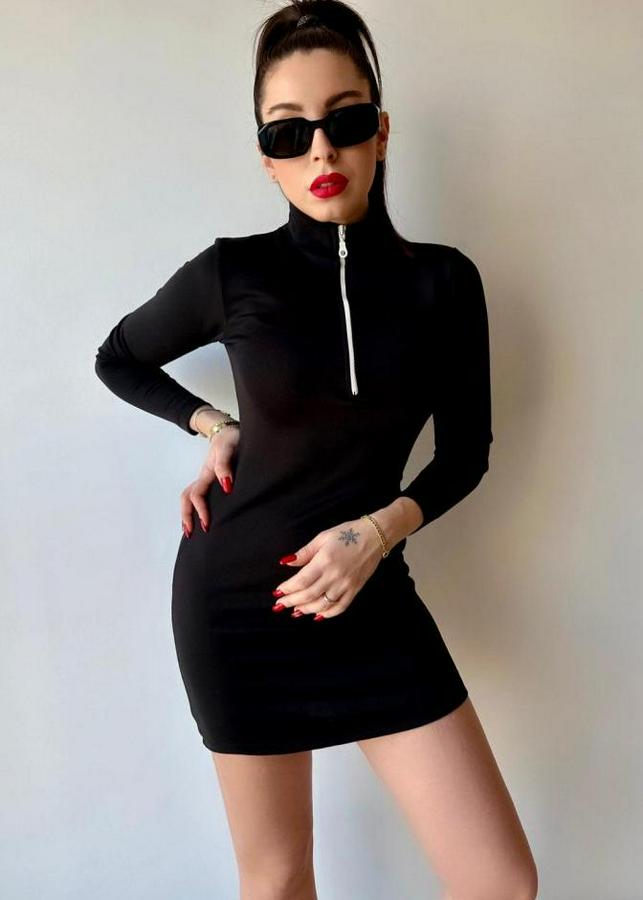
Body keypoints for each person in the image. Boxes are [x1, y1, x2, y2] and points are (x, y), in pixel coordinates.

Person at [94, 2, 538, 897]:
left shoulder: (444, 283)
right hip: (236, 605)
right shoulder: (231, 274)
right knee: (278, 881)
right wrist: (215, 426)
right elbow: (118, 357)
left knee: (499, 881)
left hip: (373, 597)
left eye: (344, 120)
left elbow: (465, 453)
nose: (321, 151)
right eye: (288, 132)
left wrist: (373, 535)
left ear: (381, 130)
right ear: (266, 156)